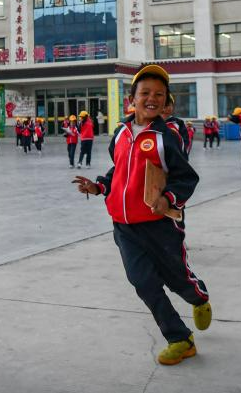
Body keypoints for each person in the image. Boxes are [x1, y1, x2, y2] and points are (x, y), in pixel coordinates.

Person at [73, 64, 210, 366]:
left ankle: (199, 298)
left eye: (159, 94)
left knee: (177, 278)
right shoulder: (121, 133)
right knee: (142, 282)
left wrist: (167, 198)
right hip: (124, 227)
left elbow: (186, 177)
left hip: (159, 226)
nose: (152, 99)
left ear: (165, 101)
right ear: (131, 99)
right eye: (145, 93)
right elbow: (120, 170)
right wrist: (99, 186)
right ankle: (180, 338)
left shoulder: (166, 137)